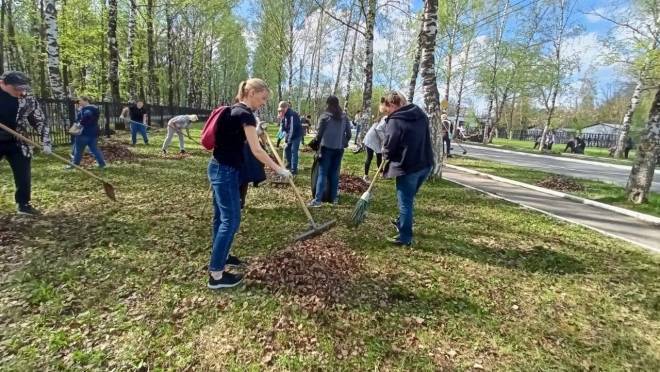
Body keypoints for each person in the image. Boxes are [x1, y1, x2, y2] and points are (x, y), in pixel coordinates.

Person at [207, 78, 291, 290]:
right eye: (263, 98)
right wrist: (278, 169)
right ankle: (216, 275)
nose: (263, 103)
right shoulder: (245, 115)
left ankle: (222, 257)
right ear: (251, 92)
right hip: (226, 172)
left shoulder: (233, 110)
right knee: (231, 221)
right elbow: (257, 150)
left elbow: (238, 138)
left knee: (220, 218)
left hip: (217, 167)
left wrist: (257, 129)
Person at [381, 91, 433, 247]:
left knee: (405, 203)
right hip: (425, 164)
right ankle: (401, 222)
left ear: (391, 105)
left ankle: (405, 237)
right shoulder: (420, 114)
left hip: (408, 167)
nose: (387, 113)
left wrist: (385, 155)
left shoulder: (395, 120)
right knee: (409, 199)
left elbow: (390, 145)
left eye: (387, 109)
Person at [0, 71, 51, 215]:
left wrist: (46, 142)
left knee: (23, 172)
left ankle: (23, 204)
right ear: (3, 84)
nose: (21, 91)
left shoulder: (27, 98)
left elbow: (39, 120)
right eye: (17, 88)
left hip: (18, 141)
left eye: (23, 88)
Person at [308, 96, 352, 207]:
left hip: (326, 149)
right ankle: (334, 199)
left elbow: (319, 135)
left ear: (328, 104)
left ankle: (317, 200)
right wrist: (343, 142)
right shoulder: (344, 117)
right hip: (339, 149)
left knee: (322, 174)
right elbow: (349, 134)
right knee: (334, 174)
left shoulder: (324, 117)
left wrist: (314, 145)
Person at [68, 96, 106, 169]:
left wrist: (80, 124)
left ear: (86, 101)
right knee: (95, 149)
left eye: (80, 101)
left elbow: (87, 115)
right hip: (94, 133)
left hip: (84, 133)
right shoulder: (95, 108)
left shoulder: (87, 109)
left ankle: (75, 165)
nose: (79, 102)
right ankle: (102, 164)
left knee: (78, 150)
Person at [279, 101, 303, 175]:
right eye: (280, 109)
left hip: (296, 135)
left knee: (293, 151)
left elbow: (292, 129)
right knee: (287, 149)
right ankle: (289, 164)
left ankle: (294, 170)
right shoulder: (284, 114)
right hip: (290, 135)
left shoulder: (292, 115)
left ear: (286, 107)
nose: (281, 111)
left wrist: (287, 141)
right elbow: (283, 125)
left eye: (282, 109)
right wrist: (282, 132)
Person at [362, 115, 387, 182]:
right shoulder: (386, 119)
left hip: (375, 140)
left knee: (379, 156)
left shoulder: (384, 118)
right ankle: (365, 175)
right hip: (371, 139)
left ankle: (381, 173)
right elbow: (378, 129)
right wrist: (385, 140)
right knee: (370, 157)